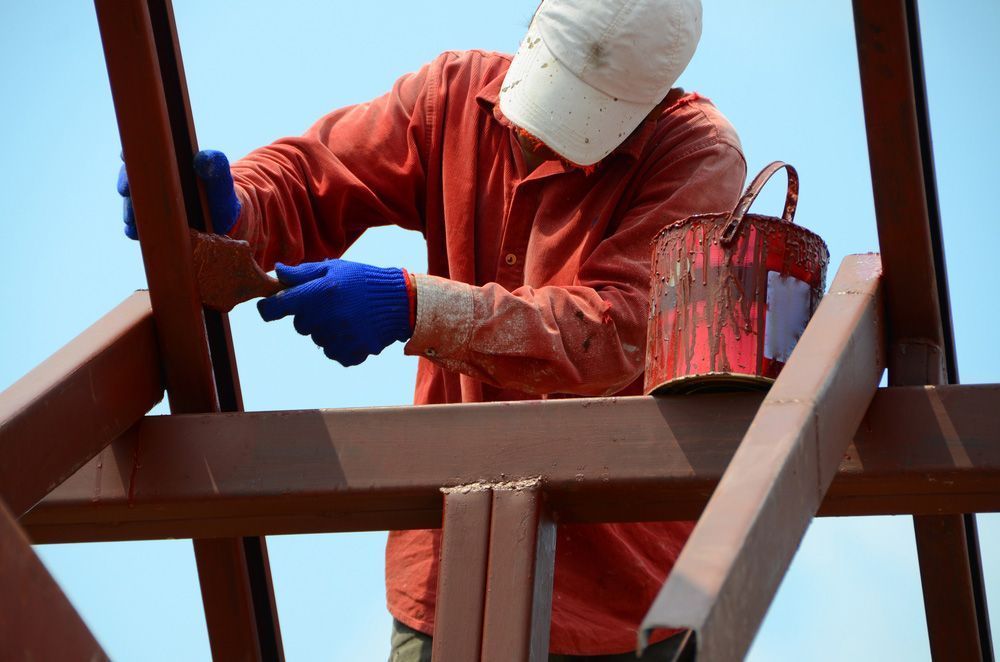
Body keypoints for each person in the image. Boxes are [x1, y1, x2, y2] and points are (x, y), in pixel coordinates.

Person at [119, 0, 745, 658]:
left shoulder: (697, 156)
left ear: (651, 100)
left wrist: (419, 309)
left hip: (622, 597)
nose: (542, 140)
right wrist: (235, 209)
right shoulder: (453, 96)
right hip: (452, 576)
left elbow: (617, 330)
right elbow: (314, 176)